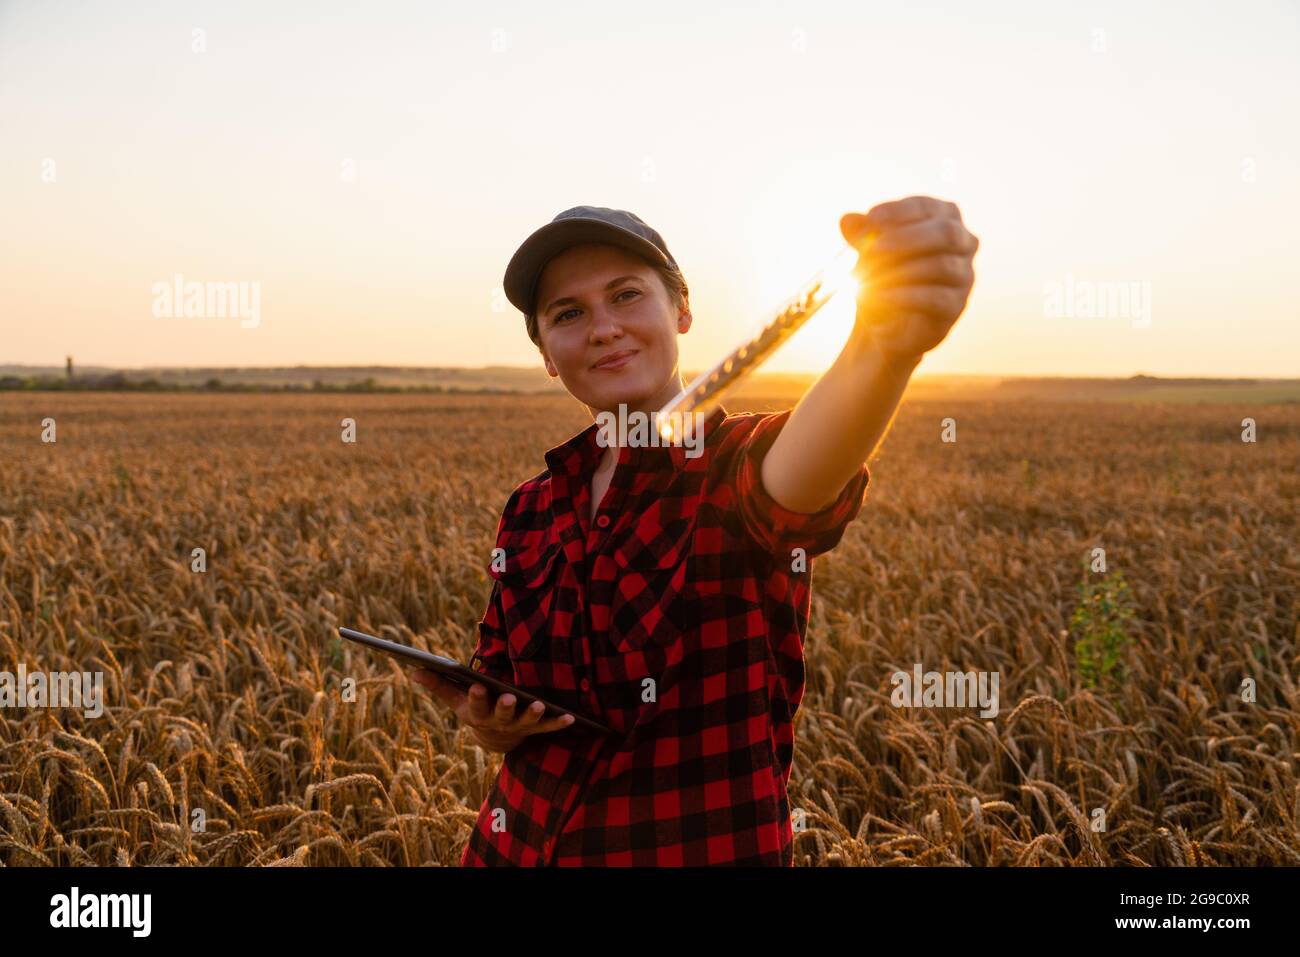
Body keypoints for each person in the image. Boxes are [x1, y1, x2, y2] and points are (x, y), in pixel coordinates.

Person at [410, 200, 978, 865]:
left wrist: (883, 347)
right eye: (568, 313)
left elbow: (807, 468)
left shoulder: (736, 465)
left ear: (681, 308)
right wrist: (488, 722)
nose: (604, 328)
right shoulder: (531, 507)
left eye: (626, 295)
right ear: (547, 357)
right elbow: (501, 680)